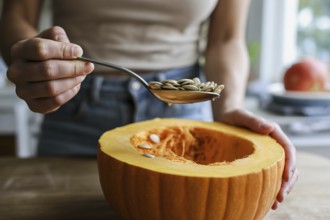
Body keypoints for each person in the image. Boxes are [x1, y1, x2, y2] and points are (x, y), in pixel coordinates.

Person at [0, 0, 297, 209]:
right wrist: (35, 60)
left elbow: (227, 38)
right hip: (74, 101)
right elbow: (15, 16)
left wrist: (229, 106)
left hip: (186, 108)